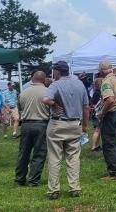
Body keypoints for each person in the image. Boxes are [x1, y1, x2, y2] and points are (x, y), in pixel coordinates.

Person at [43, 60, 90, 200]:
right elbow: (86, 107)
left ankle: (53, 190)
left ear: (57, 71)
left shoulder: (55, 84)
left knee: (54, 157)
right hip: (75, 124)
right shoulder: (79, 84)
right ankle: (74, 187)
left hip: (58, 124)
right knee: (73, 157)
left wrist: (53, 104)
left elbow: (45, 99)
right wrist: (85, 126)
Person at [14, 71, 49, 186]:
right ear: (44, 80)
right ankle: (33, 179)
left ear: (32, 79)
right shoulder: (47, 92)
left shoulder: (23, 93)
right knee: (39, 153)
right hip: (41, 124)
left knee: (23, 152)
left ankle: (19, 178)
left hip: (26, 124)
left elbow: (20, 108)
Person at [97, 60, 116, 178]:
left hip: (111, 114)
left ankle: (114, 172)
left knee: (109, 144)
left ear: (101, 71)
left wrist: (102, 113)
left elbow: (110, 99)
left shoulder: (106, 82)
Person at [89, 77, 102, 152]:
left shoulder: (96, 92)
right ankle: (94, 146)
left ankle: (97, 145)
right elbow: (94, 104)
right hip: (97, 113)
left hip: (96, 113)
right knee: (97, 130)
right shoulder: (97, 93)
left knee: (98, 130)